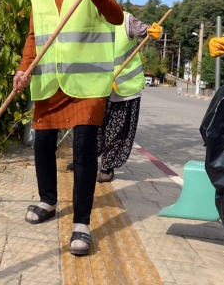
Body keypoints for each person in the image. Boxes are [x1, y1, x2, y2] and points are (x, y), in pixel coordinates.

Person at [12, 0, 124, 256]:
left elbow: (116, 18)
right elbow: (34, 38)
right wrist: (23, 68)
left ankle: (82, 222)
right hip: (49, 81)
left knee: (84, 149)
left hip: (87, 83)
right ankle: (48, 200)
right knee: (44, 141)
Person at [67, 13, 162, 183]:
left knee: (118, 129)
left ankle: (107, 167)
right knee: (89, 126)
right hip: (96, 86)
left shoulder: (125, 20)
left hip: (125, 86)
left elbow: (146, 31)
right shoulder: (86, 20)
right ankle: (83, 160)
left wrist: (153, 31)